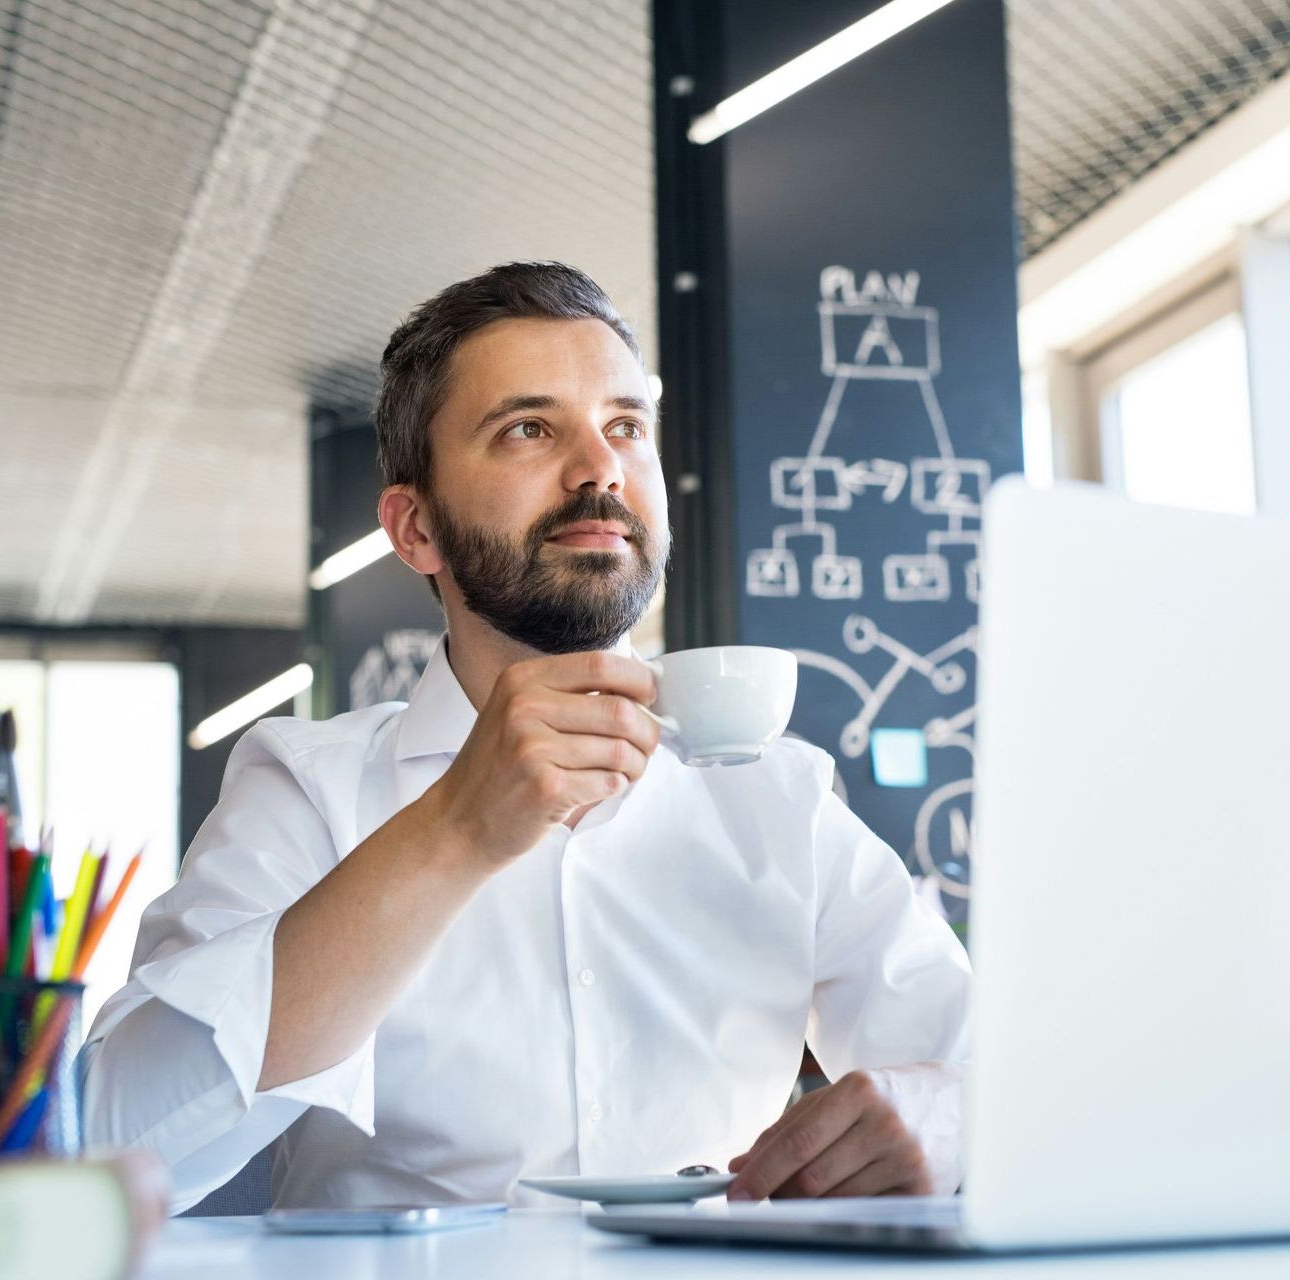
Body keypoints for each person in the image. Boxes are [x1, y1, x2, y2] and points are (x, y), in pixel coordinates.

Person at [81, 261, 970, 1215]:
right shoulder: (308, 786)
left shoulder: (778, 796)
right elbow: (114, 1147)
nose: (601, 469)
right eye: (528, 430)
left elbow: (991, 1076)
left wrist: (942, 1118)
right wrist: (452, 833)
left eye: (626, 426)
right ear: (415, 528)